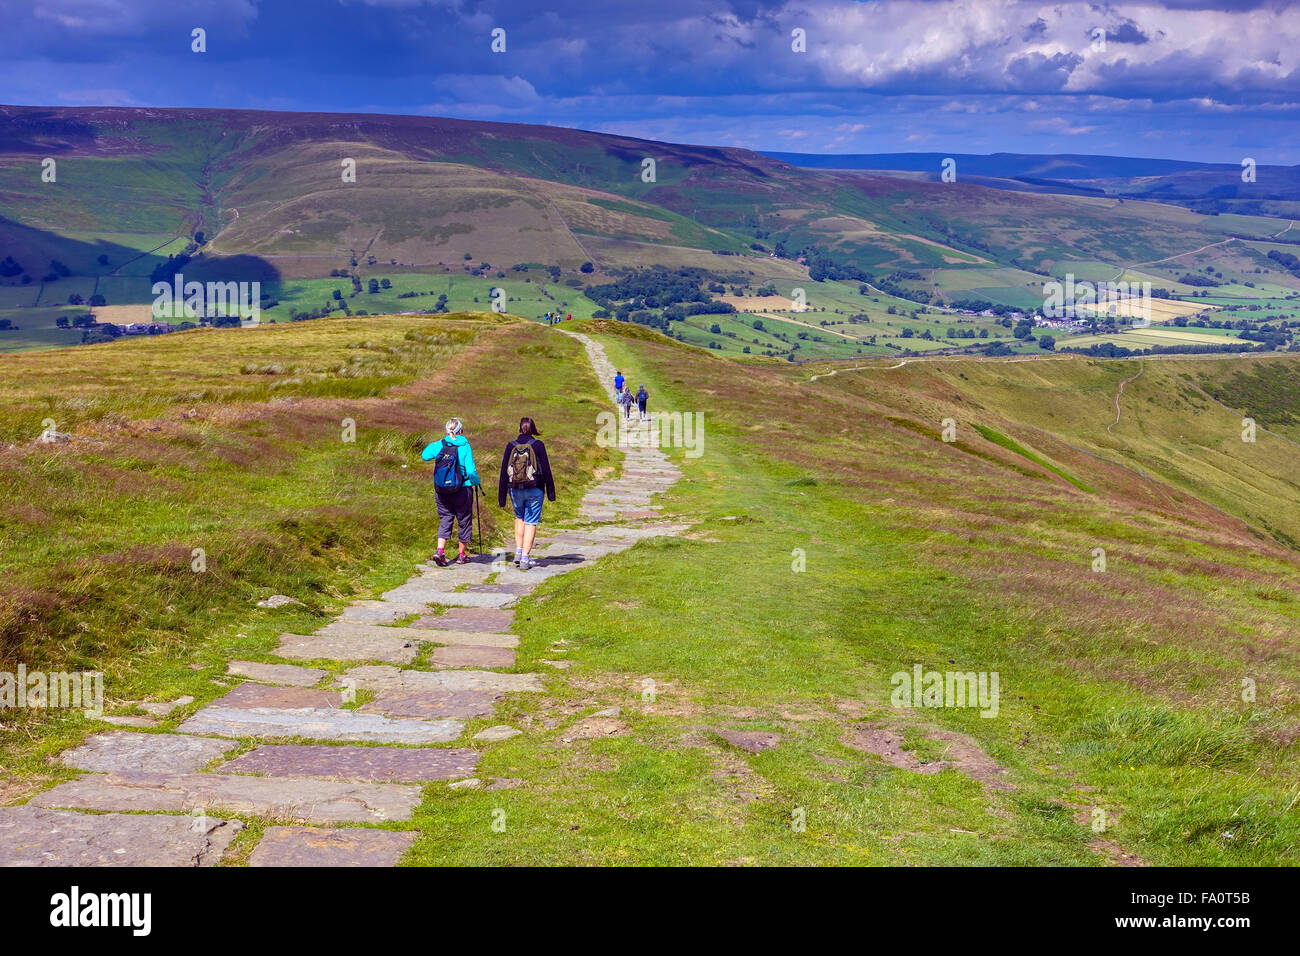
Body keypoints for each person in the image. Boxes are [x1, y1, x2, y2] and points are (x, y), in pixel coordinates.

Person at [421, 418, 481, 566]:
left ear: (447, 430)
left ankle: (440, 551)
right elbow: (471, 471)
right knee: (464, 520)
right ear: (461, 431)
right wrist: (476, 482)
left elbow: (425, 455)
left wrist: (438, 442)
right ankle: (461, 555)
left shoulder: (441, 444)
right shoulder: (465, 446)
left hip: (442, 490)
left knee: (446, 518)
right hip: (462, 489)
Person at [498, 416, 555, 570]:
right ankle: (525, 558)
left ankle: (518, 551)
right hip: (535, 489)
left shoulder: (511, 445)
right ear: (533, 429)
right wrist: (551, 493)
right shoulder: (538, 445)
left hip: (515, 489)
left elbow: (504, 472)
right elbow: (547, 470)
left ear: (519, 428)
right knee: (531, 522)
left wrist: (501, 497)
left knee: (519, 517)